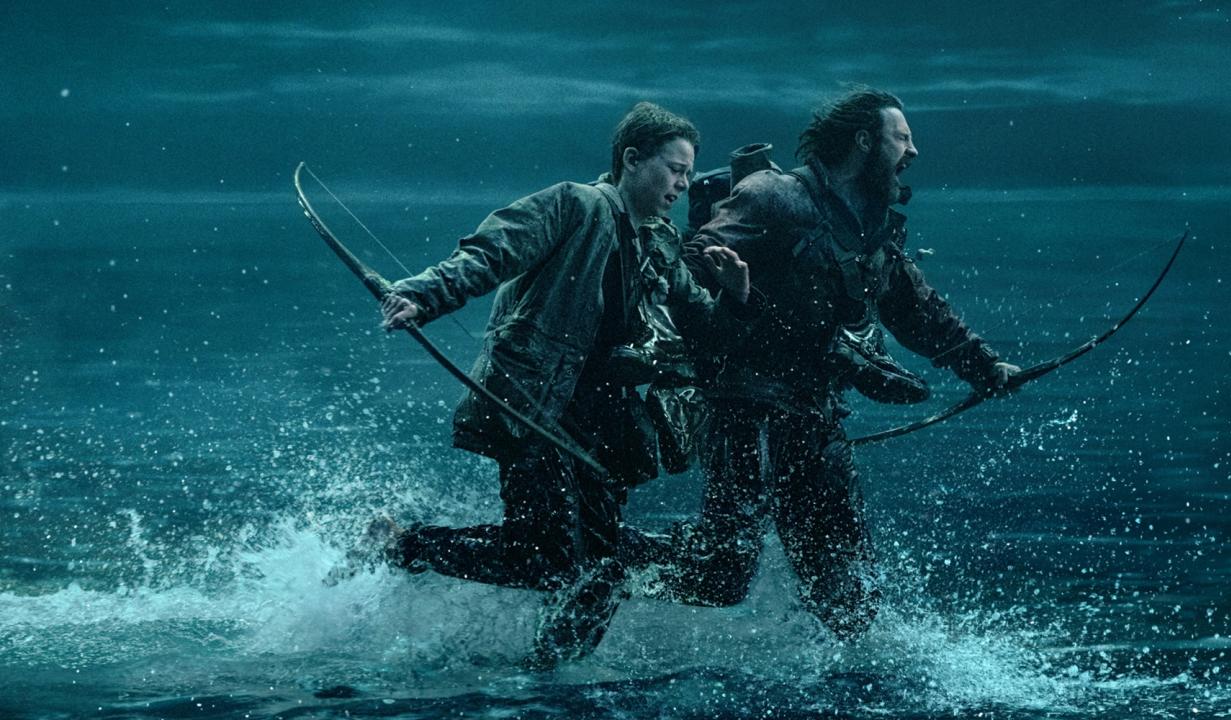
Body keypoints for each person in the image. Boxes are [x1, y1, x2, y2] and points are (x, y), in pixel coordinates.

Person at [374, 102, 756, 667]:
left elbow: (703, 324)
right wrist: (424, 295)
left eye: (687, 174)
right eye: (675, 169)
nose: (683, 184)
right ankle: (403, 546)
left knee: (596, 568)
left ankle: (552, 670)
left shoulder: (659, 241)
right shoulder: (575, 204)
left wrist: (737, 296)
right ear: (632, 158)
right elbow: (493, 249)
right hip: (540, 405)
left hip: (606, 428)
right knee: (551, 558)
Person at [631, 87, 1018, 639]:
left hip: (816, 423)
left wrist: (985, 367)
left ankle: (839, 680)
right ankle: (605, 559)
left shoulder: (871, 228)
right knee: (720, 576)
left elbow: (917, 310)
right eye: (902, 138)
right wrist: (728, 302)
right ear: (863, 142)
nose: (912, 151)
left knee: (848, 598)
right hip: (745, 417)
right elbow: (687, 269)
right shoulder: (772, 197)